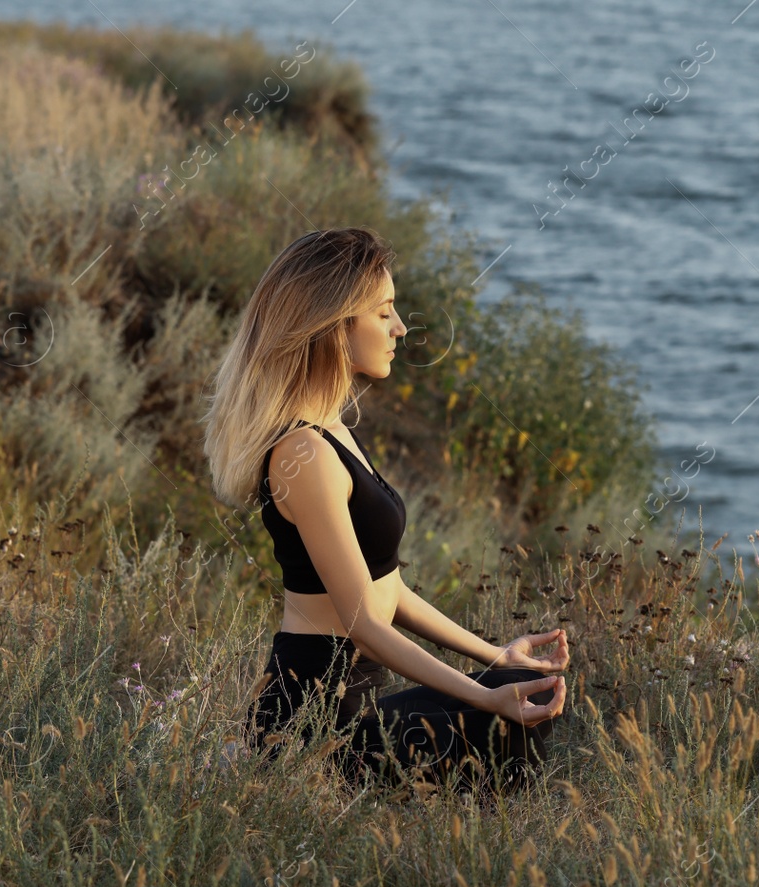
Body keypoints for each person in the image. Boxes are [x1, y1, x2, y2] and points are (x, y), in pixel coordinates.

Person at [201, 226, 567, 790]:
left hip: (359, 704)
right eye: (384, 313)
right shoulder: (304, 453)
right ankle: (265, 765)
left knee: (527, 685)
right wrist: (486, 696)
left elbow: (388, 593)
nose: (400, 328)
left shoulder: (333, 432)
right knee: (506, 728)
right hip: (312, 720)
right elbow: (364, 625)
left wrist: (495, 659)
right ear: (334, 326)